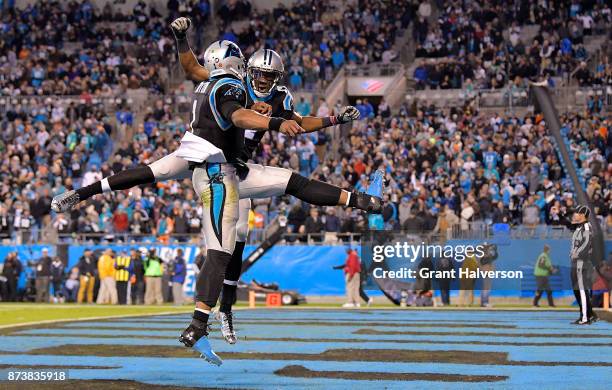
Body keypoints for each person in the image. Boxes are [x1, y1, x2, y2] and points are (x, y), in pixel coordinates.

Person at [569, 205, 595, 324]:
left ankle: (585, 317)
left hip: (581, 261)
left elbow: (586, 243)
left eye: (577, 213)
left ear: (583, 215)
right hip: (575, 262)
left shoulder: (586, 226)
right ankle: (588, 314)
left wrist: (577, 253)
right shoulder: (579, 227)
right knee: (577, 290)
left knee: (582, 289)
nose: (575, 215)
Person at [479, 243, 498, 307]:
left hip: (488, 273)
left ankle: (485, 302)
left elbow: (495, 256)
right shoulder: (484, 256)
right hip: (486, 273)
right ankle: (484, 302)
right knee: (485, 288)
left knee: (487, 288)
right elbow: (484, 261)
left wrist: (495, 251)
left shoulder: (488, 256)